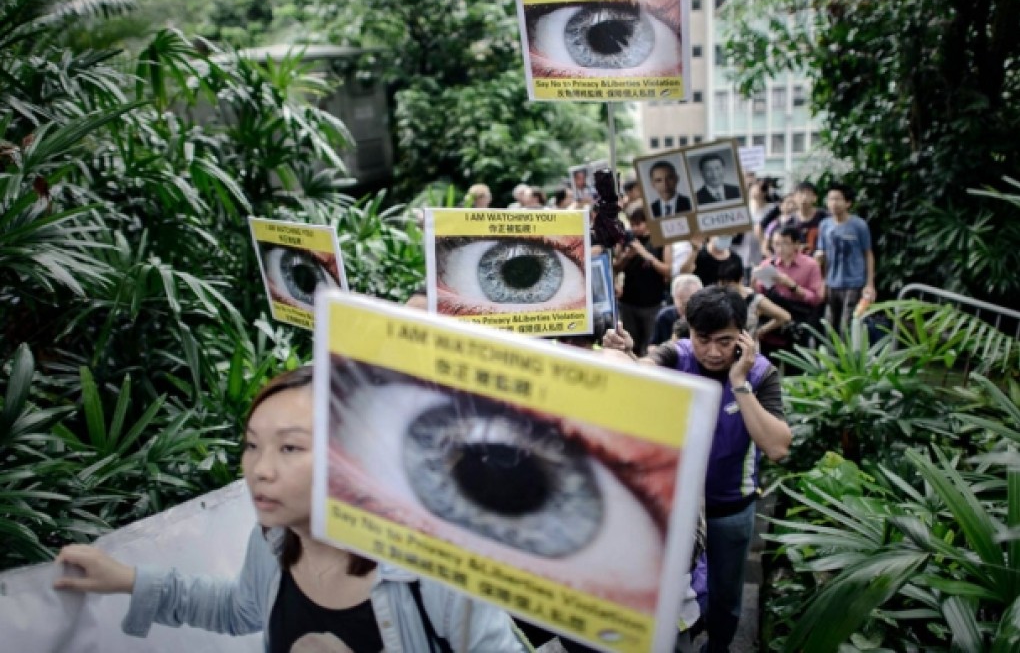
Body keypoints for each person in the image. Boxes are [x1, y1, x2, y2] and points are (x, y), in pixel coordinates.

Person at [53, 366, 529, 652]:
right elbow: (238, 609)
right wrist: (128, 581)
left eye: (289, 449)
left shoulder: (432, 568)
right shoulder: (274, 541)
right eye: (252, 446)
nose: (258, 470)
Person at [603, 287, 790, 653]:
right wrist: (620, 352)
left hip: (729, 509)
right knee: (672, 593)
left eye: (725, 341)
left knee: (726, 597)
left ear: (743, 336)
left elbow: (777, 446)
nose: (714, 352)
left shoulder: (761, 375)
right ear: (688, 332)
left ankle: (717, 647)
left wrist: (739, 383)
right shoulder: (676, 356)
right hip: (672, 510)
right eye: (704, 339)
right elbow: (635, 372)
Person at [753, 225, 825, 356]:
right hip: (772, 326)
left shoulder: (810, 265)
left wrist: (792, 286)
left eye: (785, 243)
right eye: (776, 244)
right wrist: (754, 281)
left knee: (796, 370)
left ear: (796, 244)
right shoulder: (767, 264)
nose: (779, 248)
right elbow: (758, 295)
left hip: (797, 324)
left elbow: (816, 299)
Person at [815, 183, 875, 334]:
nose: (833, 203)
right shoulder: (824, 225)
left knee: (847, 326)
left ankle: (849, 357)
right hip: (831, 283)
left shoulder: (859, 225)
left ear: (848, 203)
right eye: (830, 199)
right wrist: (822, 281)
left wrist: (870, 284)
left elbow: (868, 254)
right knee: (830, 326)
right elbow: (822, 255)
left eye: (838, 199)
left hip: (854, 283)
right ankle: (830, 356)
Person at [614, 207, 671, 356]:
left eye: (639, 224)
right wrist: (627, 256)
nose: (635, 228)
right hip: (628, 303)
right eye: (632, 224)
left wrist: (645, 254)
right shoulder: (627, 239)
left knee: (649, 345)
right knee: (629, 345)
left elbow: (667, 271)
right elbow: (615, 268)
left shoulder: (661, 240)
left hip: (652, 303)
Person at [650, 274, 703, 347]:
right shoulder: (665, 316)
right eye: (683, 303)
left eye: (693, 301)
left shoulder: (707, 317)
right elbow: (653, 345)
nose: (688, 307)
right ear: (673, 298)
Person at [791, 182, 827, 254]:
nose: (804, 198)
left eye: (807, 194)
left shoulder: (824, 216)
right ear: (794, 198)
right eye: (800, 194)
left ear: (815, 198)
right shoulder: (789, 220)